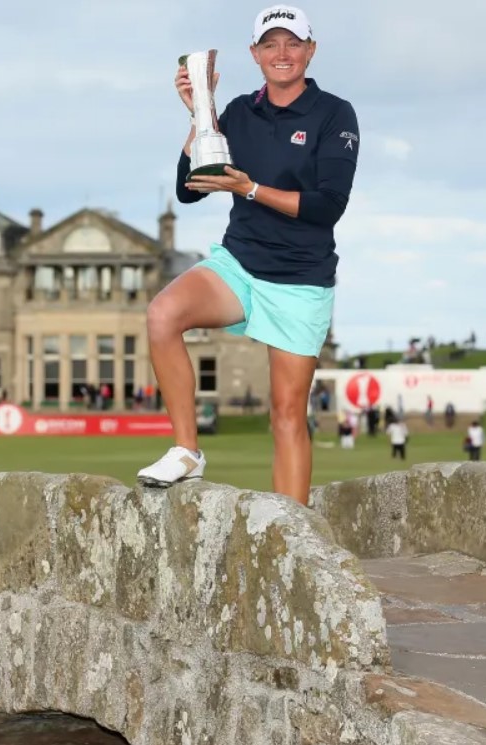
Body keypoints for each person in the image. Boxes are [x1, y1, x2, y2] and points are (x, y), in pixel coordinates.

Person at [136, 5, 359, 507]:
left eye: (293, 43)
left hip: (301, 279)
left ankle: (294, 531)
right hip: (239, 265)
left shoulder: (334, 113)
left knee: (286, 415)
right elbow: (189, 189)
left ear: (310, 50)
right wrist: (200, 114)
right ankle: (187, 451)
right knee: (163, 314)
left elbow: (328, 206)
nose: (282, 53)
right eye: (270, 44)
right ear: (254, 54)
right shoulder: (238, 112)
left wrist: (250, 188)